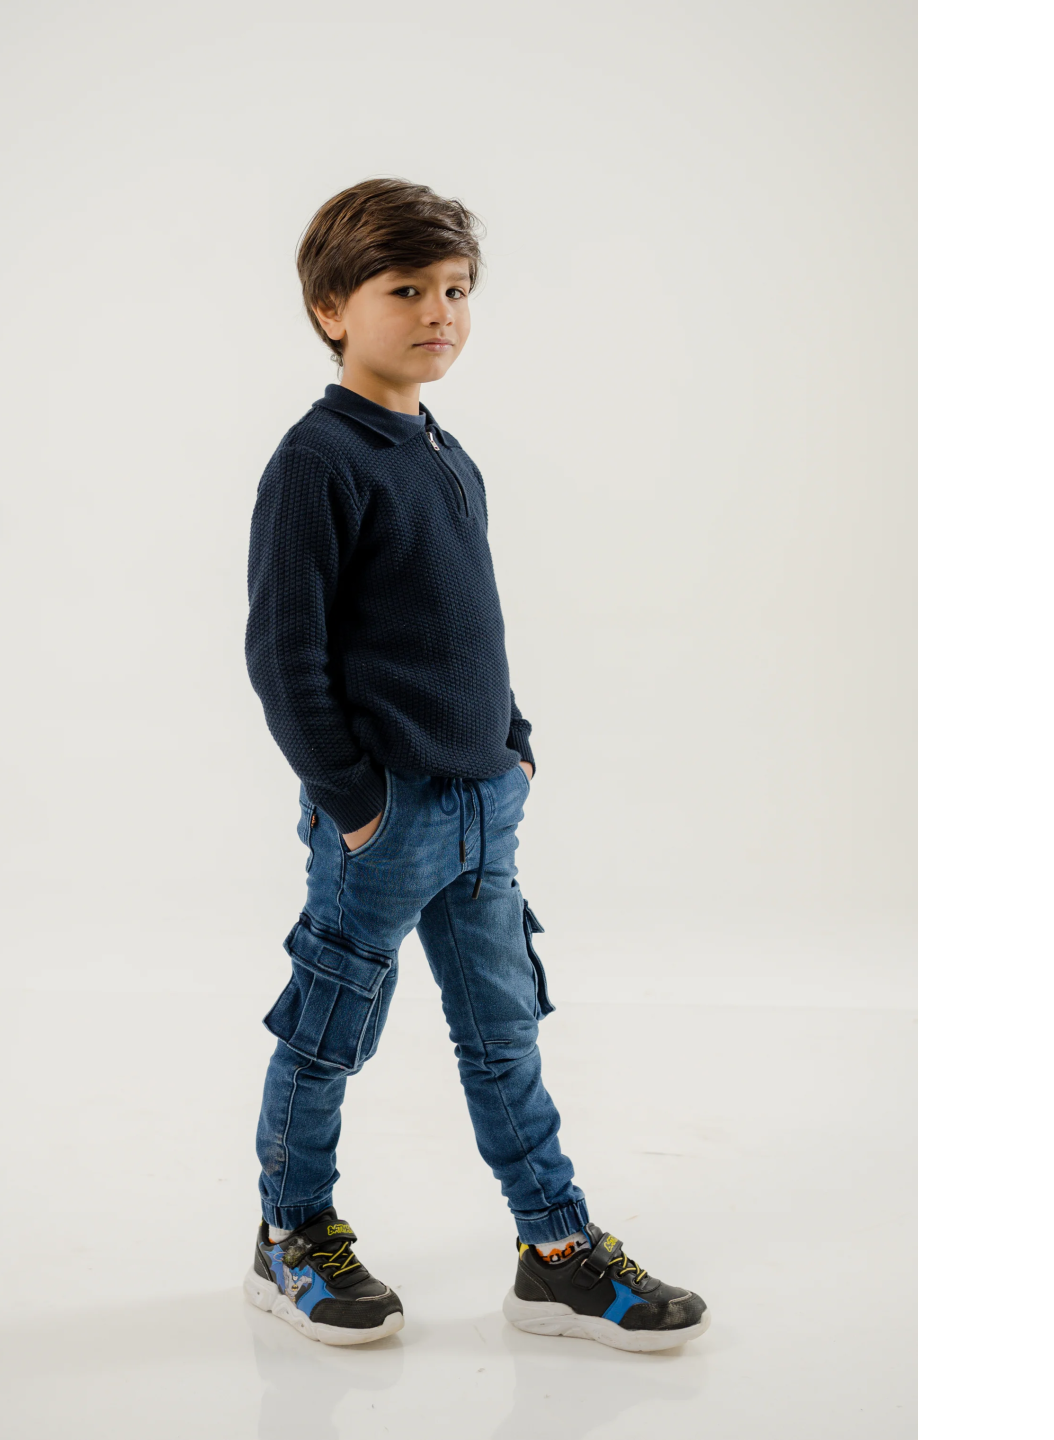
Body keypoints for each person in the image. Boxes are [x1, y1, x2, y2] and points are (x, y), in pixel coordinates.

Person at [241, 178, 709, 1352]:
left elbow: (465, 625)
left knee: (504, 1034)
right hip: (386, 820)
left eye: (455, 290)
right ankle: (290, 1233)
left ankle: (555, 1253)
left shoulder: (446, 451)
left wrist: (515, 741)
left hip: (484, 806)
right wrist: (354, 802)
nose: (439, 312)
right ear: (331, 310)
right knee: (329, 1033)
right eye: (406, 290)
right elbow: (284, 655)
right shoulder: (316, 461)